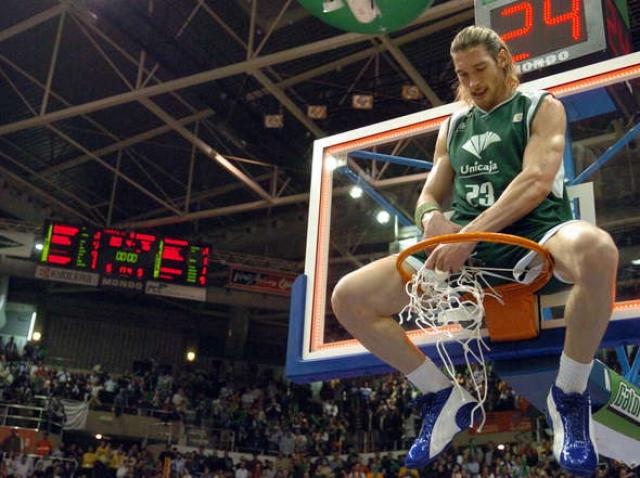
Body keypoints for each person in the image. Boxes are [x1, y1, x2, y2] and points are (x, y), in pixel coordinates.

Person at [331, 25, 618, 476]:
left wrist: (469, 236)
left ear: (503, 59)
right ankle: (439, 394)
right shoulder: (454, 124)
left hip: (538, 231)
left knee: (598, 250)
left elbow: (535, 181)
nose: (472, 83)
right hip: (466, 246)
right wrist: (431, 222)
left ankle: (570, 392)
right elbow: (428, 195)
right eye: (463, 75)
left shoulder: (541, 108)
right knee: (348, 297)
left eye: (479, 69)